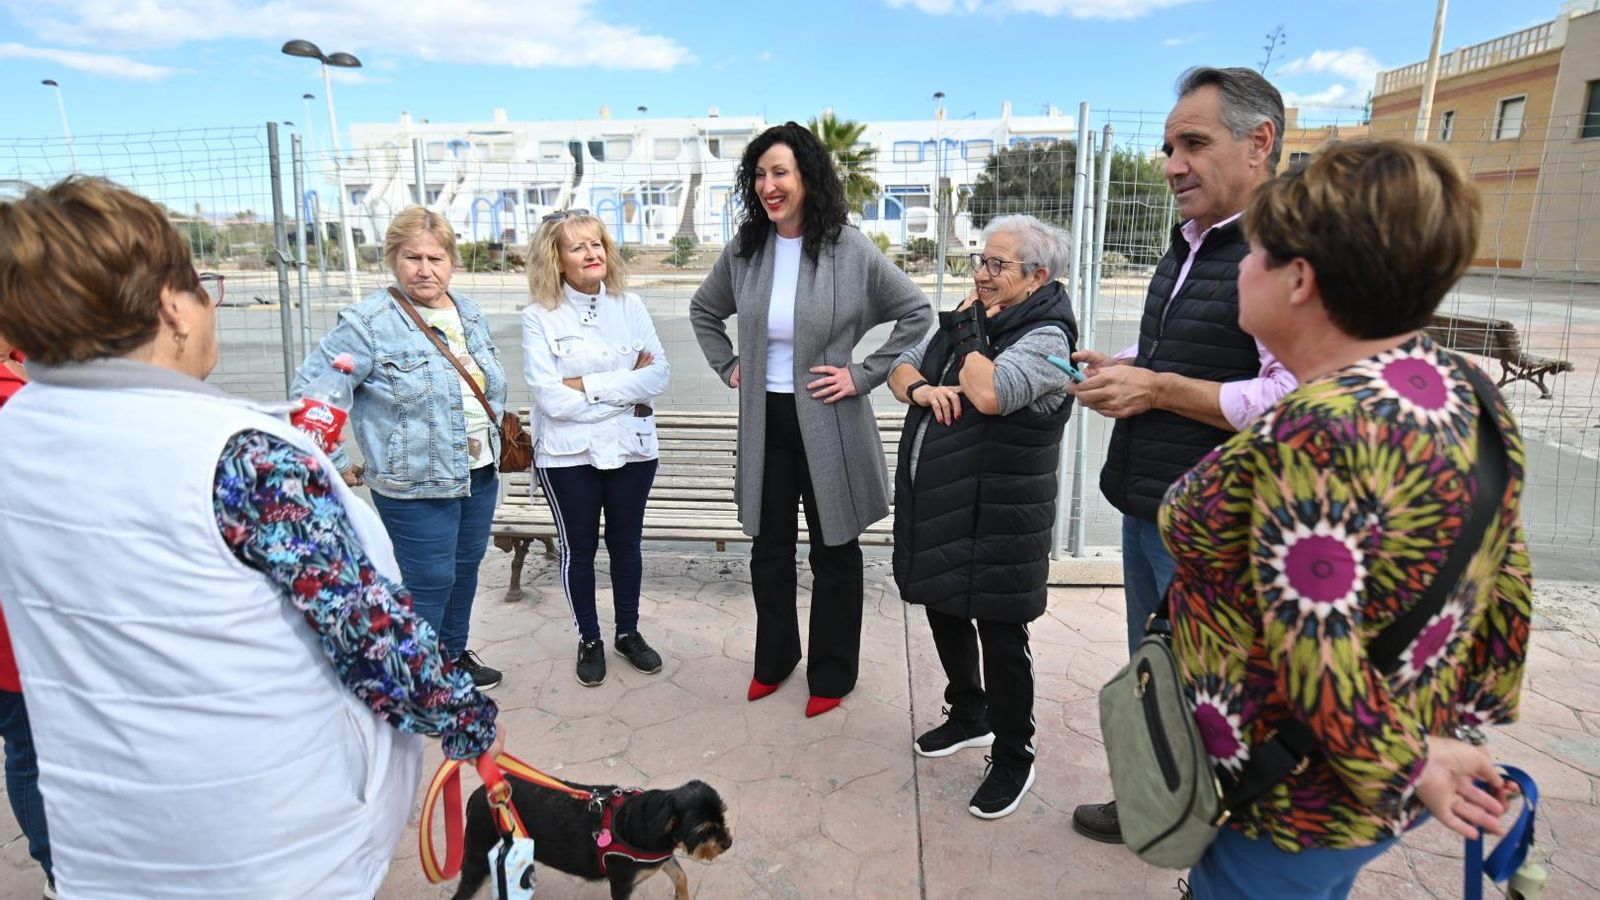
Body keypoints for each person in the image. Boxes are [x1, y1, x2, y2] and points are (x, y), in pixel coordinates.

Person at [0, 177, 500, 898]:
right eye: (206, 288)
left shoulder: (17, 429)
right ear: (174, 308)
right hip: (260, 843)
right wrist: (466, 718)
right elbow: (374, 640)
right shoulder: (242, 458)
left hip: (103, 835)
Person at [1167, 139, 1532, 898]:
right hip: (1386, 759)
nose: (1239, 264)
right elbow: (1505, 567)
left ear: (1300, 279)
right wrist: (1455, 728)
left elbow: (1315, 647)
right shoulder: (1464, 383)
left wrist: (1414, 763)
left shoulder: (1318, 427)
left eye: (1256, 251)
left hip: (1295, 797)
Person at [1070, 65, 1298, 843]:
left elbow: (1293, 397)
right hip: (1153, 503)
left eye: (1193, 144)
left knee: (1214, 691)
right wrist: (1129, 366)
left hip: (1220, 527)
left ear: (1259, 143)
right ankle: (1156, 800)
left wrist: (1161, 390)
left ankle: (1215, 839)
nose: (1171, 165)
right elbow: (1192, 345)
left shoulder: (1282, 251)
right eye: (1169, 146)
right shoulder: (1196, 241)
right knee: (1156, 674)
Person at [690, 122, 932, 718]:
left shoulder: (848, 248)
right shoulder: (747, 248)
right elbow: (704, 311)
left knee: (834, 551)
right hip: (765, 420)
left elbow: (917, 313)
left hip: (828, 419)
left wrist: (863, 374)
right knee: (768, 549)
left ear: (807, 178)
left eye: (781, 173)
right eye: (760, 174)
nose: (768, 185)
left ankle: (832, 672)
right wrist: (728, 366)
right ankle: (774, 661)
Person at [888, 215, 1077, 820]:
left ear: (1037, 276)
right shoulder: (971, 317)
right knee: (943, 607)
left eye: (997, 265)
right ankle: (968, 713)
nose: (981, 274)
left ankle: (1014, 752)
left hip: (1000, 517)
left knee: (1000, 630)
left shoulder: (1047, 336)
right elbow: (900, 368)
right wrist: (921, 390)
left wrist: (969, 329)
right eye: (980, 261)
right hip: (944, 506)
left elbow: (990, 390)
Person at [293, 205, 506, 690]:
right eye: (413, 258)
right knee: (429, 580)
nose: (425, 269)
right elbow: (309, 393)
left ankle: (451, 657)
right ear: (394, 260)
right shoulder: (368, 323)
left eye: (436, 257)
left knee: (464, 570)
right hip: (414, 481)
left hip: (479, 471)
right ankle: (416, 678)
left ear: (452, 261)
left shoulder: (468, 313)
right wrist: (338, 461)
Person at [522, 210, 670, 686]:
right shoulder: (537, 317)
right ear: (556, 259)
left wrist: (585, 385)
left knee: (626, 545)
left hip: (632, 448)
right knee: (578, 549)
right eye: (577, 247)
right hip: (568, 456)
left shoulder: (630, 306)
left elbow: (659, 374)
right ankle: (590, 637)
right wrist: (624, 389)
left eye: (597, 244)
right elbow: (550, 398)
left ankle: (628, 631)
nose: (591, 254)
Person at [0, 339, 52, 900]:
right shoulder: (16, 407)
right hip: (19, 626)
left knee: (27, 749)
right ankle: (63, 873)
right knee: (36, 752)